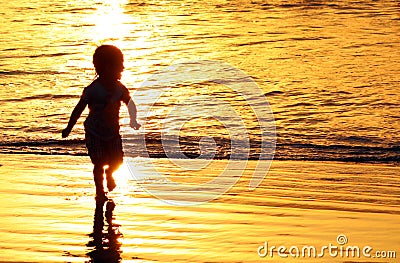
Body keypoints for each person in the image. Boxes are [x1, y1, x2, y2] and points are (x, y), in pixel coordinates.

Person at [62, 45, 141, 201]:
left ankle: (110, 173)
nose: (123, 68)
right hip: (94, 133)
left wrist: (133, 119)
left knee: (117, 160)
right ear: (105, 67)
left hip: (112, 133)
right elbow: (78, 109)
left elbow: (130, 104)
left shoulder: (120, 89)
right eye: (119, 64)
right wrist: (69, 128)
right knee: (98, 163)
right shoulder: (92, 90)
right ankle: (100, 192)